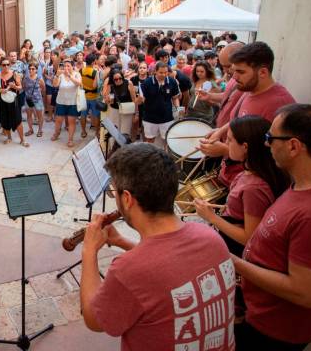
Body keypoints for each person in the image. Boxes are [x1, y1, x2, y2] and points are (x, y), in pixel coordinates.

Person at [81, 143, 235, 350]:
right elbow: (169, 267)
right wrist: (123, 242)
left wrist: (89, 251)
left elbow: (94, 319)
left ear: (127, 199)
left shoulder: (128, 269)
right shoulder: (211, 239)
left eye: (115, 192)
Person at [233, 104, 311, 349]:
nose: (266, 144)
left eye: (270, 137)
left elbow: (305, 292)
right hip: (258, 314)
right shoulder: (303, 185)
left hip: (275, 332)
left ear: (293, 146)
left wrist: (234, 263)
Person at [199, 42, 295, 185]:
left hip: (251, 184)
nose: (234, 77)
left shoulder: (278, 104)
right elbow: (239, 119)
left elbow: (270, 156)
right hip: (232, 174)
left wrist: (225, 150)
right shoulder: (250, 89)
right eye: (234, 70)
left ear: (262, 72)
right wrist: (220, 131)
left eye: (241, 72)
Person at [194, 115, 289, 256]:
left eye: (230, 140)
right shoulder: (250, 169)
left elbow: (249, 238)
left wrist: (212, 217)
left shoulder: (254, 189)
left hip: (234, 246)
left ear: (245, 147)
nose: (225, 142)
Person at [138, 62, 180, 146]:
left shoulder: (172, 82)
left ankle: (165, 157)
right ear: (155, 72)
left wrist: (178, 109)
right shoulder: (147, 83)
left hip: (167, 118)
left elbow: (175, 98)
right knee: (149, 141)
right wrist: (139, 99)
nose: (164, 75)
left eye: (165, 72)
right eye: (161, 72)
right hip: (150, 118)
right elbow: (141, 101)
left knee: (167, 140)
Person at [0, 58, 29, 147]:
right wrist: (1, 90)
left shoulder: (14, 74)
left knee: (18, 120)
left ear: (10, 65)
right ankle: (9, 137)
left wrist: (14, 86)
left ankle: (22, 140)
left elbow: (20, 87)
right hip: (1, 101)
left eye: (8, 64)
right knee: (5, 119)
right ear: (0, 66)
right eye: (4, 65)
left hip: (13, 101)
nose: (6, 66)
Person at [51, 60, 82, 147]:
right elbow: (55, 85)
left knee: (71, 122)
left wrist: (69, 76)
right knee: (58, 120)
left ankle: (70, 139)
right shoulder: (60, 75)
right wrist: (56, 75)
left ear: (72, 66)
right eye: (64, 66)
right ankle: (56, 133)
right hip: (61, 102)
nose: (66, 68)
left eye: (68, 66)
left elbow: (79, 83)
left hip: (73, 102)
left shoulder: (77, 74)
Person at [104, 69, 137, 143]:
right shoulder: (110, 85)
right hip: (114, 110)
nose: (118, 80)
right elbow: (106, 99)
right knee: (114, 132)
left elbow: (134, 99)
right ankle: (114, 149)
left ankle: (123, 151)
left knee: (125, 132)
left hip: (127, 111)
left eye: (120, 78)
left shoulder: (128, 83)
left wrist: (136, 113)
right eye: (115, 79)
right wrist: (108, 99)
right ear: (112, 79)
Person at [23, 63, 46, 137]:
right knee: (29, 115)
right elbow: (24, 87)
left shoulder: (39, 78)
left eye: (33, 69)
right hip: (28, 99)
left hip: (38, 99)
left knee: (40, 116)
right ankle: (30, 129)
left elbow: (43, 88)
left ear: (36, 70)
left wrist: (39, 95)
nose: (31, 70)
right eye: (29, 69)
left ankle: (40, 130)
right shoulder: (26, 78)